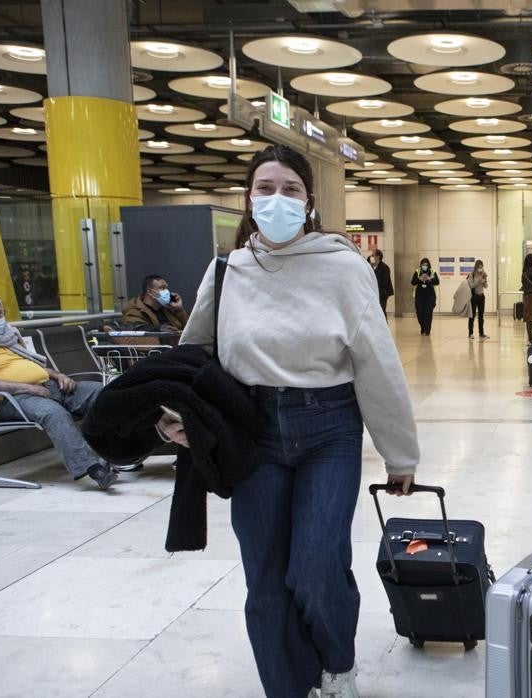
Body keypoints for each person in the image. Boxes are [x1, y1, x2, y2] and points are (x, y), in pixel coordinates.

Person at [163, 144, 420, 698]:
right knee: (266, 580)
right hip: (248, 429)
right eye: (265, 188)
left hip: (327, 427)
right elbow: (194, 355)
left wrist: (400, 453)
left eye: (290, 189)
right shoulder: (227, 270)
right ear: (248, 199)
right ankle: (289, 686)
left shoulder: (343, 267)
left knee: (315, 566)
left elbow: (376, 362)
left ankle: (337, 664)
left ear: (309, 202)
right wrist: (173, 416)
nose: (277, 199)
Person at [0, 291, 117, 489]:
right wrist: (27, 387)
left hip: (48, 386)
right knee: (54, 413)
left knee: (104, 392)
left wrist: (58, 375)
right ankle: (93, 469)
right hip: (11, 399)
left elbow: (34, 366)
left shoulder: (7, 336)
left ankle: (119, 453)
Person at [122, 274, 189, 331]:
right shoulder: (135, 311)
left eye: (166, 288)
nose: (167, 291)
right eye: (162, 288)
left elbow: (187, 329)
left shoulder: (168, 309)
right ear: (150, 292)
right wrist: (159, 329)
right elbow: (136, 329)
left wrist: (179, 309)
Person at [410, 258, 440, 336]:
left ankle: (427, 330)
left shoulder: (432, 272)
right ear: (421, 265)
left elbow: (437, 282)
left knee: (428, 314)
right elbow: (413, 282)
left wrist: (429, 279)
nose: (425, 266)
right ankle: (423, 327)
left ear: (428, 265)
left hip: (430, 296)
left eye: (426, 265)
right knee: (420, 313)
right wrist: (419, 279)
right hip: (419, 297)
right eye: (423, 265)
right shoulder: (417, 271)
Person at [467, 260, 490, 340]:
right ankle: (470, 333)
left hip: (481, 296)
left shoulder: (483, 274)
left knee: (481, 316)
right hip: (474, 297)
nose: (480, 268)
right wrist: (479, 280)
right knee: (472, 315)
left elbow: (486, 286)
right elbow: (471, 285)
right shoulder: (472, 274)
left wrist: (484, 281)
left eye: (481, 267)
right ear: (476, 267)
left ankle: (481, 333)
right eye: (479, 267)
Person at [370, 249, 394, 318]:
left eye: (373, 255)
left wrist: (374, 279)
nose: (371, 257)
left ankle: (384, 327)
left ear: (378, 257)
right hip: (376, 292)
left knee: (381, 311)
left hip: (383, 293)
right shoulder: (373, 267)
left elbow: (384, 281)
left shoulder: (384, 267)